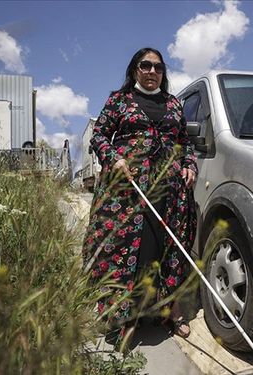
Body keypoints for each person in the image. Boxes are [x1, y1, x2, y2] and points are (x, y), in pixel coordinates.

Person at [82, 47, 197, 347]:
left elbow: (185, 142)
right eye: (145, 66)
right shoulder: (119, 100)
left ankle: (169, 311)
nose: (151, 72)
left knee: (165, 251)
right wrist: (114, 158)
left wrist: (189, 164)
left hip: (168, 193)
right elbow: (99, 136)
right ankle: (122, 318)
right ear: (134, 69)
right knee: (127, 253)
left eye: (158, 67)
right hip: (126, 192)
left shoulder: (173, 104)